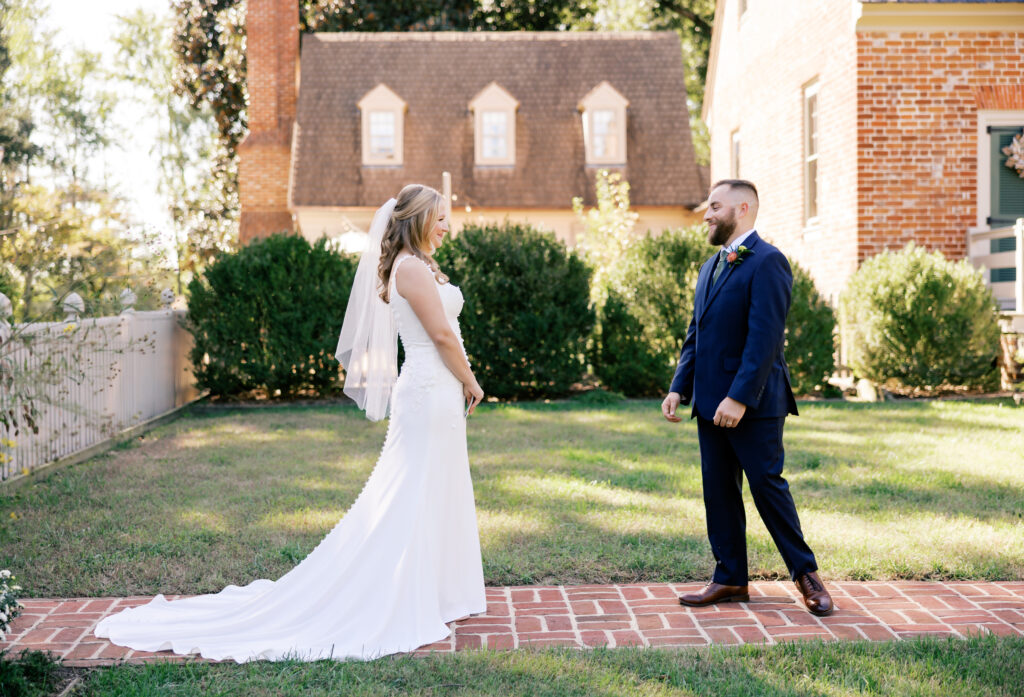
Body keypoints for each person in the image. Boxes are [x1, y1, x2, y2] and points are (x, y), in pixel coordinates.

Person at [95, 184, 487, 661]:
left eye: (447, 218)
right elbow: (443, 335)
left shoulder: (420, 265)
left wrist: (459, 382)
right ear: (418, 219)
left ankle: (438, 589)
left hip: (436, 392)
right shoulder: (409, 268)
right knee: (414, 490)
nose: (447, 226)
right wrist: (471, 380)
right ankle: (404, 591)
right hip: (429, 389)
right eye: (440, 217)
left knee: (435, 486)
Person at [661, 179, 833, 617]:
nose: (706, 214)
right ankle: (730, 578)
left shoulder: (769, 262)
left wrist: (739, 398)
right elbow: (696, 335)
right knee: (718, 492)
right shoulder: (708, 268)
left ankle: (806, 575)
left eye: (714, 206)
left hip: (754, 404)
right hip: (708, 402)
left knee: (767, 488)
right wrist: (680, 386)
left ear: (742, 208)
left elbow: (765, 339)